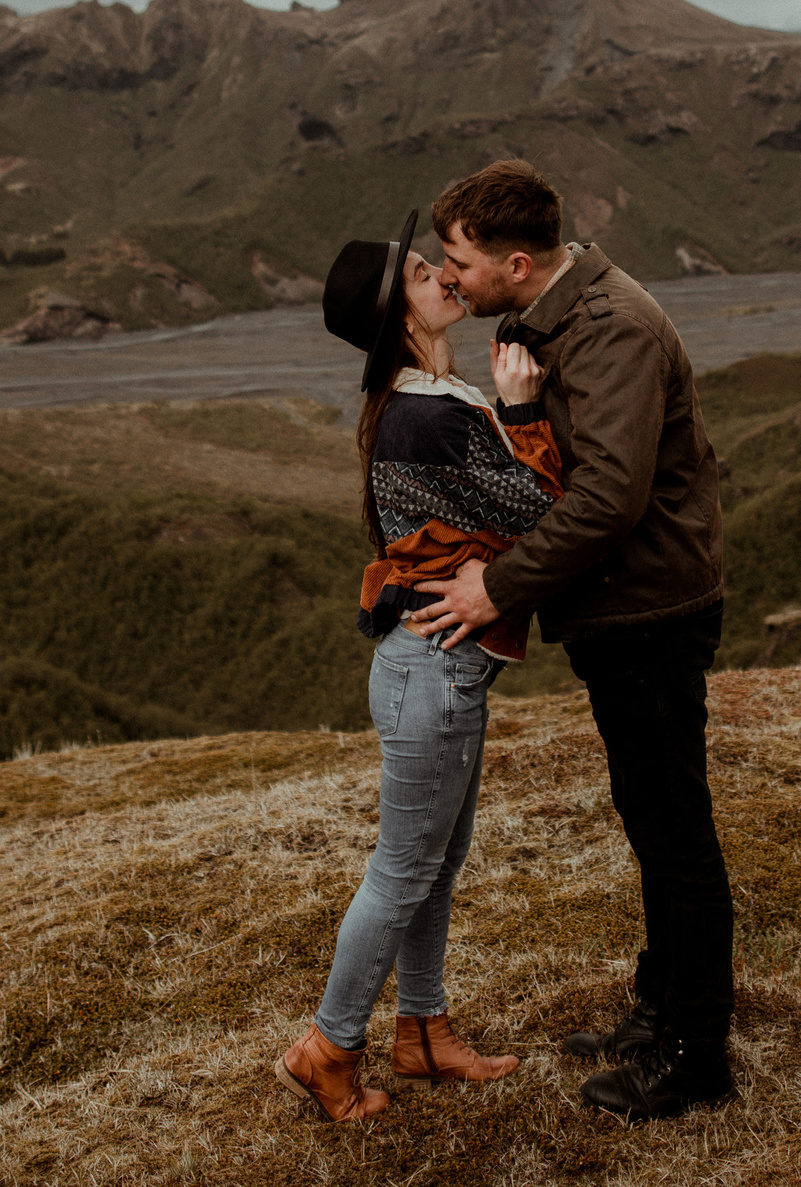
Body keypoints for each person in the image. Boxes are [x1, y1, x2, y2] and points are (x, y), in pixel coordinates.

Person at [413, 158, 736, 1122]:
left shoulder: (610, 330)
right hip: (619, 603)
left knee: (675, 833)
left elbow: (606, 498)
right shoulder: (549, 315)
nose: (449, 274)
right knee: (651, 819)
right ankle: (660, 1014)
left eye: (460, 258)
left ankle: (696, 1059)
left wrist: (494, 589)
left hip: (649, 607)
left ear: (516, 260)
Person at [275, 210, 562, 1123]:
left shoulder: (420, 402)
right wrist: (521, 408)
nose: (442, 273)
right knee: (404, 868)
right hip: (430, 672)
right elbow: (541, 501)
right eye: (419, 272)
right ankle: (328, 1046)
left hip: (440, 666)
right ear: (397, 314)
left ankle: (424, 1032)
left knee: (437, 862)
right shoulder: (429, 414)